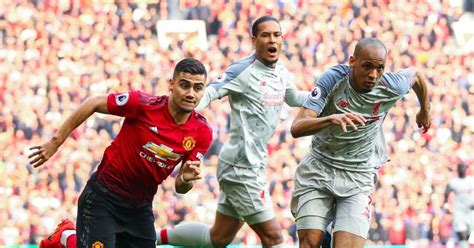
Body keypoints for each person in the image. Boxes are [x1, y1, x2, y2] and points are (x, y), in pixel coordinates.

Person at [157, 15, 308, 247]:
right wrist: (180, 110)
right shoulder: (242, 70)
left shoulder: (281, 72)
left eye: (277, 35)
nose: (272, 40)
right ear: (254, 40)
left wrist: (326, 98)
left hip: (252, 164)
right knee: (274, 238)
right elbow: (208, 93)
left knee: (217, 238)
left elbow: (295, 97)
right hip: (240, 168)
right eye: (266, 35)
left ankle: (149, 237)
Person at [28, 58, 213, 248]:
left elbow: (180, 187)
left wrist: (187, 179)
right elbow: (93, 103)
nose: (191, 93)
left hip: (140, 208)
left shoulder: (201, 132)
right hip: (102, 198)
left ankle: (68, 237)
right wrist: (55, 142)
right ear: (171, 85)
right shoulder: (142, 105)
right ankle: (65, 236)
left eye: (198, 88)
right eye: (185, 85)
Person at [289, 37, 431, 248]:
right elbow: (297, 126)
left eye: (380, 68)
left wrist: (424, 110)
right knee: (310, 243)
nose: (373, 75)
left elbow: (417, 76)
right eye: (367, 66)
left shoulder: (392, 85)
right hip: (319, 170)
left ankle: (330, 232)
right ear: (352, 61)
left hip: (358, 176)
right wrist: (331, 118)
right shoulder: (333, 79)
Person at [444, 163, 474, 247]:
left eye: (464, 168)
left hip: (471, 211)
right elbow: (446, 193)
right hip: (459, 211)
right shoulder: (453, 182)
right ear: (457, 170)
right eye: (460, 168)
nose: (462, 170)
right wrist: (446, 204)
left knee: (470, 233)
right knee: (461, 233)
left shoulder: (471, 181)